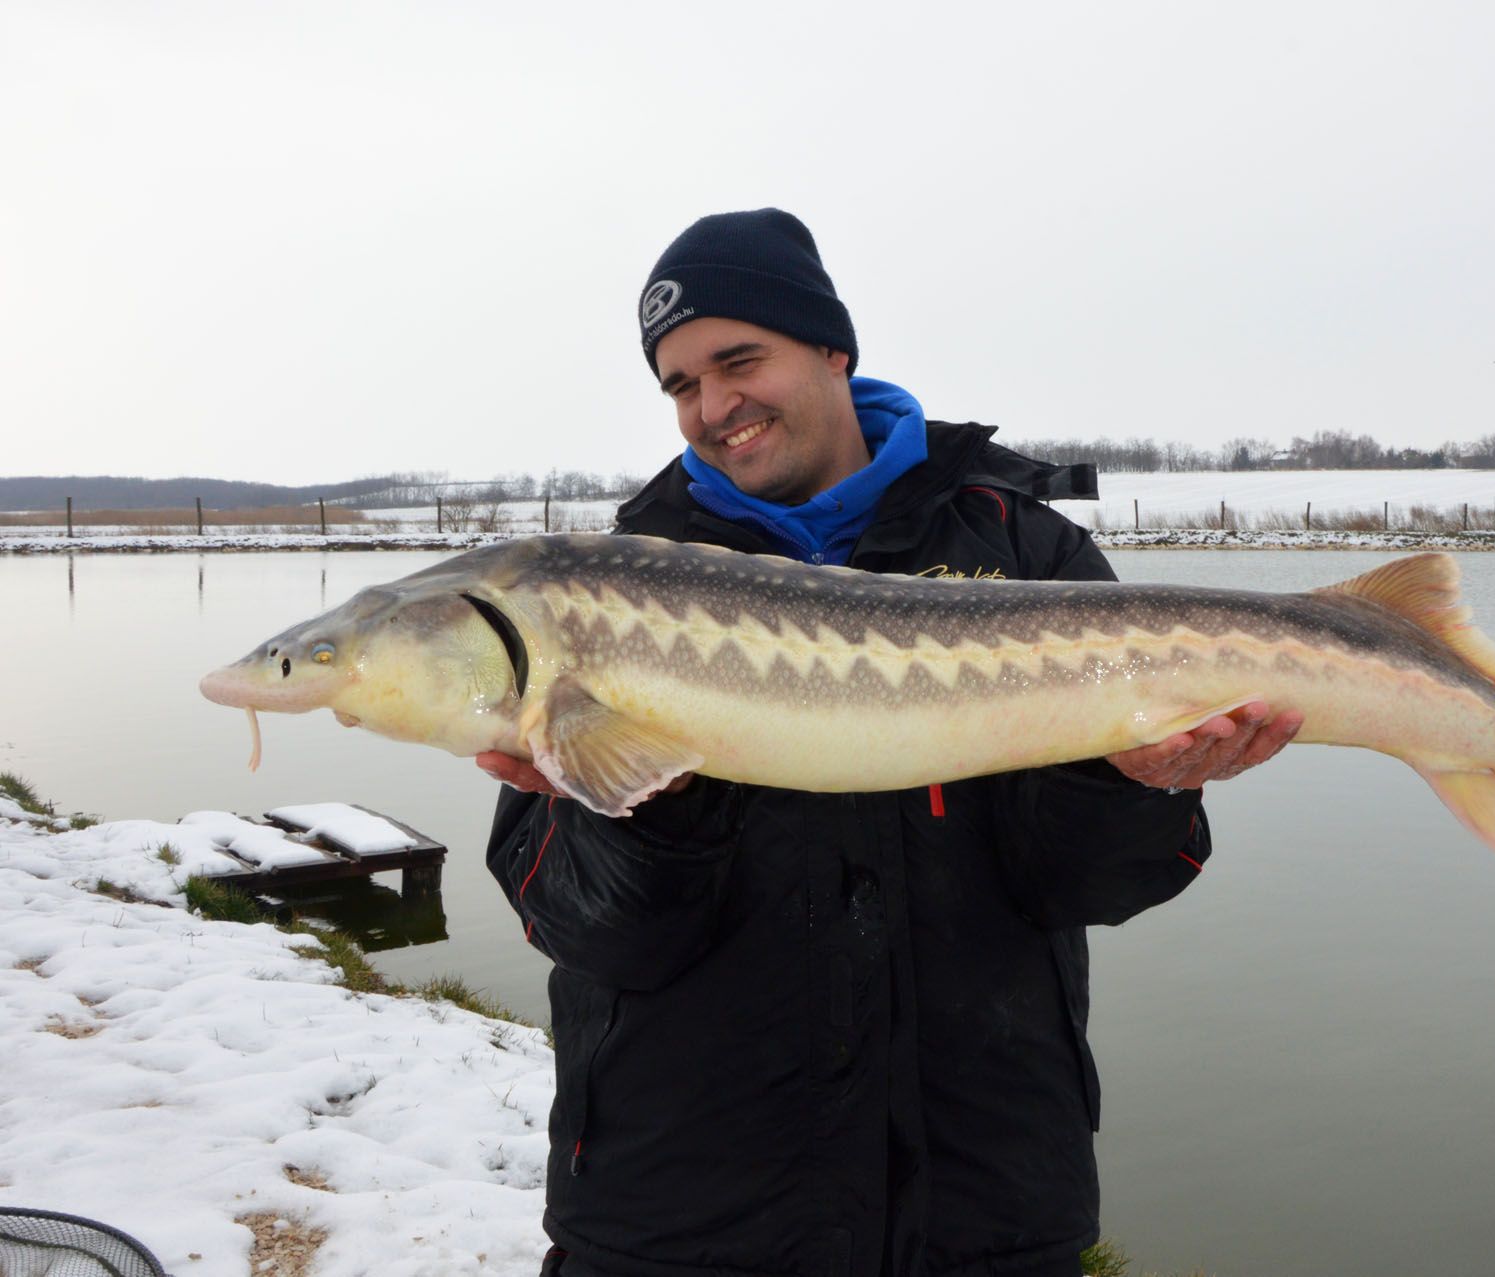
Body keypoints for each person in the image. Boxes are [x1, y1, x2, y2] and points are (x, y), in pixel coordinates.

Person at [481, 209, 1300, 1277]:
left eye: (739, 360)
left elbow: (1093, 884)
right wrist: (651, 796)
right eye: (680, 384)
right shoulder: (607, 585)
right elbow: (585, 926)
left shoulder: (1021, 546)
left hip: (984, 1213)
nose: (712, 406)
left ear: (832, 347)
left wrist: (1135, 784)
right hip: (675, 1219)